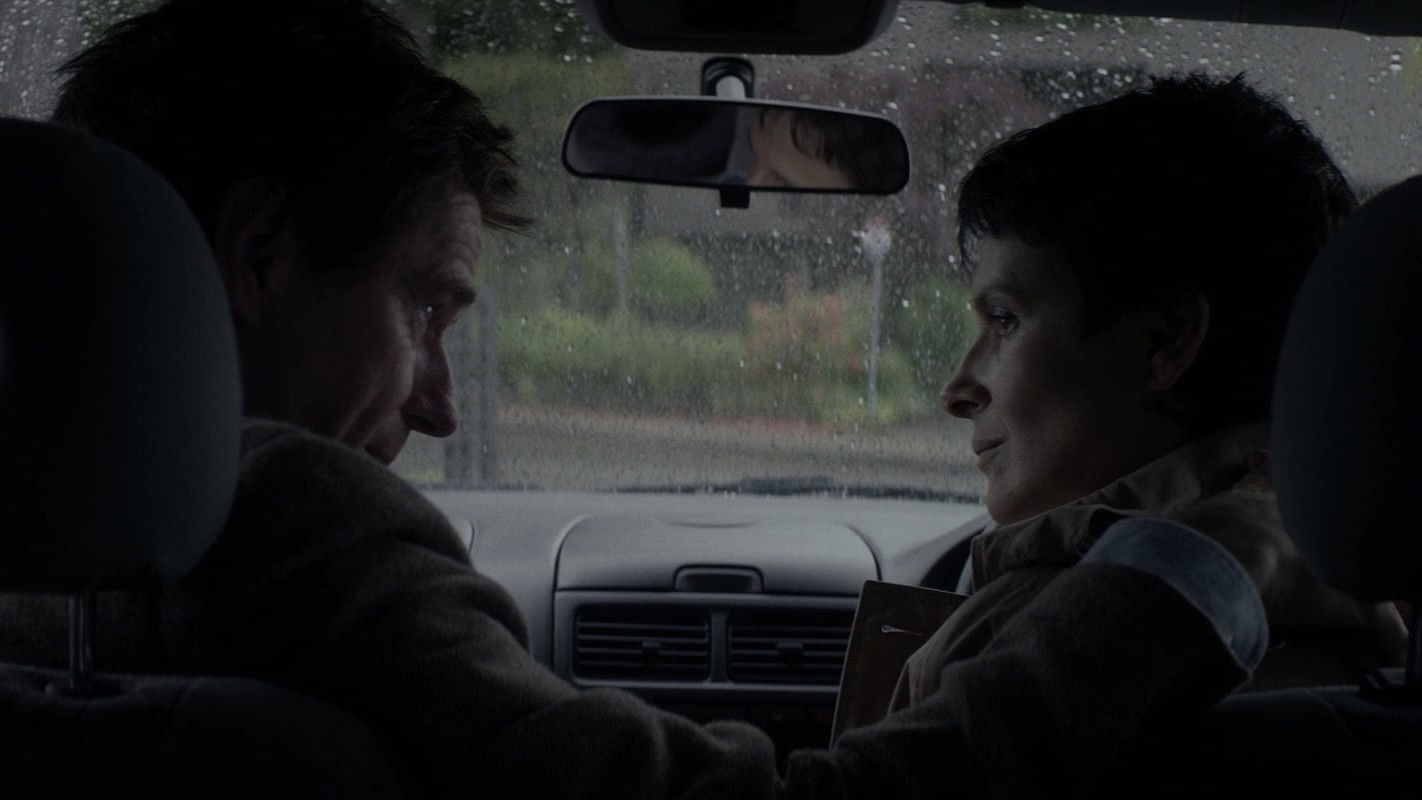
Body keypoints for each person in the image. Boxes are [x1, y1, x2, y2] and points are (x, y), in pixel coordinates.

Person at [0, 2, 1271, 796]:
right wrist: (1186, 581)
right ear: (262, 252)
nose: (440, 408)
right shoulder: (291, 524)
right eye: (427, 308)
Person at [892, 74, 1409, 710]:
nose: (956, 391)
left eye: (1005, 320)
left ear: (1164, 342)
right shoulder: (1385, 625)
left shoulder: (1027, 639)